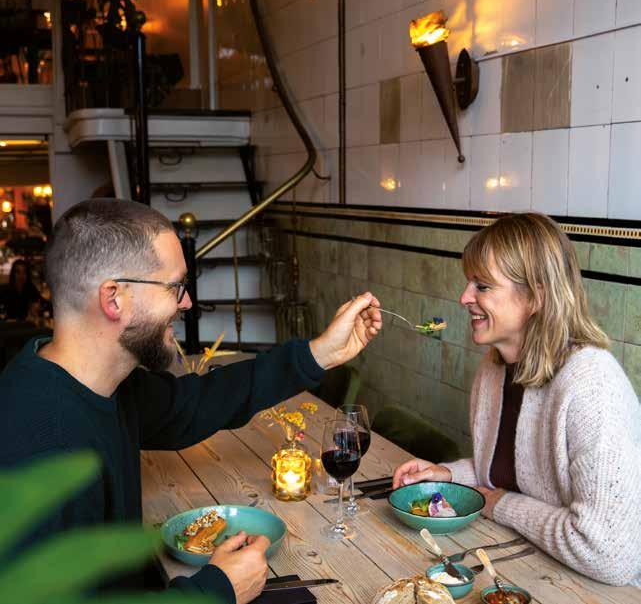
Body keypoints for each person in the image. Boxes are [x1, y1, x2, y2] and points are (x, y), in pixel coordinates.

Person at [0, 198, 383, 603]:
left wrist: (319, 353)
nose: (187, 303)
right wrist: (217, 590)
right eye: (175, 287)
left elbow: (199, 402)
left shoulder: (103, 384)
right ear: (114, 299)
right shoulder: (34, 441)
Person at [392, 213, 641, 588]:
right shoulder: (494, 367)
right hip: (525, 567)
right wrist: (450, 475)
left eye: (482, 286)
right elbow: (516, 476)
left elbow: (608, 553)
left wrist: (499, 505)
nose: (465, 297)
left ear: (536, 297)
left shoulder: (592, 384)